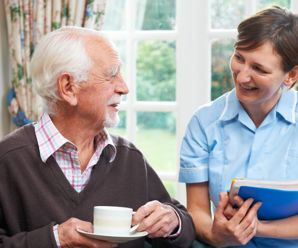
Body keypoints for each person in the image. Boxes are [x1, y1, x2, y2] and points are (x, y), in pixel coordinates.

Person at [0, 26, 195, 248]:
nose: (124, 87)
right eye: (112, 75)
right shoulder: (7, 159)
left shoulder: (128, 158)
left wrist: (173, 221)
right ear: (68, 87)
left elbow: (185, 230)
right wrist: (55, 239)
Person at [179, 6, 298, 248]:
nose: (242, 76)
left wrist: (255, 228)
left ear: (291, 76)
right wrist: (216, 235)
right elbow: (198, 211)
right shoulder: (204, 123)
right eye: (239, 58)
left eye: (259, 68)